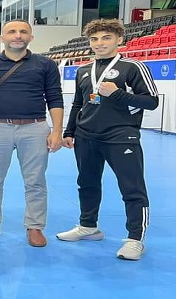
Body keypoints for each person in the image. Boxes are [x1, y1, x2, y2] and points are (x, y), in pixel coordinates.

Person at [57, 19, 158, 261]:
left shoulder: (133, 67)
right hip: (86, 136)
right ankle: (88, 226)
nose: (99, 43)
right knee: (87, 183)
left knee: (132, 187)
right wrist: (69, 132)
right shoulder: (83, 70)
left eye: (106, 38)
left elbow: (152, 101)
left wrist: (118, 94)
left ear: (119, 39)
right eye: (94, 39)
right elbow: (79, 104)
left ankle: (135, 239)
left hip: (121, 136)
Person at [0, 20, 64, 247]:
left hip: (35, 128)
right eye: (12, 32)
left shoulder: (46, 64)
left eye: (23, 32)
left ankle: (35, 226)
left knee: (35, 181)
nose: (18, 35)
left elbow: (54, 97)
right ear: (1, 38)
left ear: (31, 37)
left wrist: (57, 131)